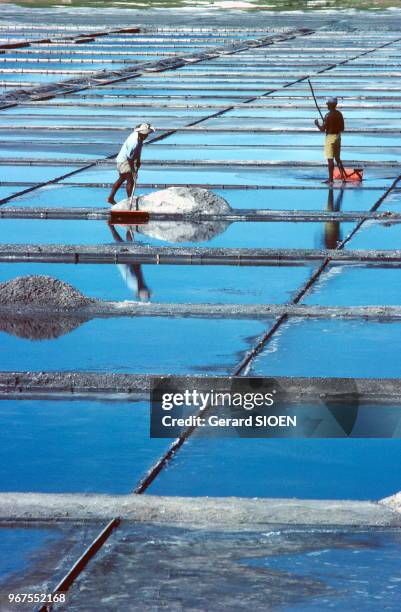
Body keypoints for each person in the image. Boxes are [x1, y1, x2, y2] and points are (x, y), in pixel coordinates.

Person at [108, 122, 155, 205]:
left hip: (127, 159)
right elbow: (129, 158)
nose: (147, 136)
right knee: (130, 179)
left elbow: (138, 149)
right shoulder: (134, 142)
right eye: (146, 134)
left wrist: (138, 160)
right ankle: (130, 201)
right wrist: (133, 171)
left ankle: (111, 198)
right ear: (143, 134)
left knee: (122, 178)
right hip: (124, 161)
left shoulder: (139, 137)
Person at [314, 97, 345, 184]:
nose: (327, 106)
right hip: (338, 137)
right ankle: (343, 177)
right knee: (338, 158)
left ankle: (331, 179)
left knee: (330, 159)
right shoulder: (339, 114)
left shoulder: (327, 116)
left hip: (330, 138)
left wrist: (317, 124)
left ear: (331, 105)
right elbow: (342, 128)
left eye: (328, 104)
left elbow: (322, 129)